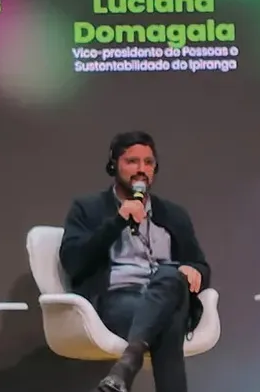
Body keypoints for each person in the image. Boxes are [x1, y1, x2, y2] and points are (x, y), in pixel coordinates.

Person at [61, 131, 212, 392]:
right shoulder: (88, 208)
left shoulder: (173, 214)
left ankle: (126, 366)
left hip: (170, 293)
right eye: (132, 162)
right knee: (169, 322)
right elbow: (74, 262)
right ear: (113, 165)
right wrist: (118, 221)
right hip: (119, 300)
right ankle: (128, 366)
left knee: (169, 276)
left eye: (148, 163)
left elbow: (201, 265)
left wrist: (194, 270)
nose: (141, 170)